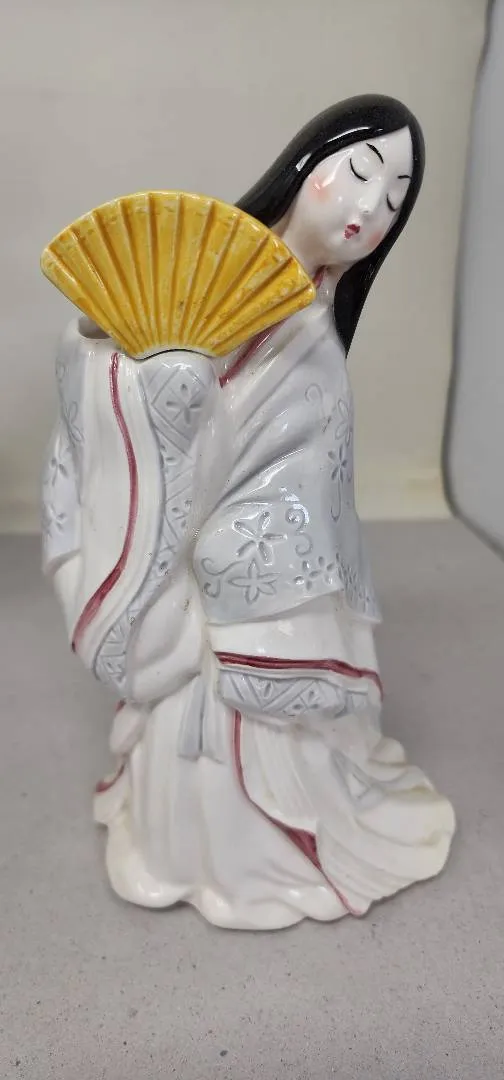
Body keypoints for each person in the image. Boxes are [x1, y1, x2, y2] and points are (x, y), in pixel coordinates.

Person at [43, 95, 455, 928]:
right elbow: (102, 363)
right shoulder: (206, 267)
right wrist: (157, 386)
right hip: (193, 551)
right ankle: (201, 843)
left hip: (278, 557)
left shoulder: (317, 309)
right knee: (207, 705)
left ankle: (268, 839)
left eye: (395, 198)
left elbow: (308, 450)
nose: (370, 208)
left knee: (281, 710)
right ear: (303, 167)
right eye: (359, 171)